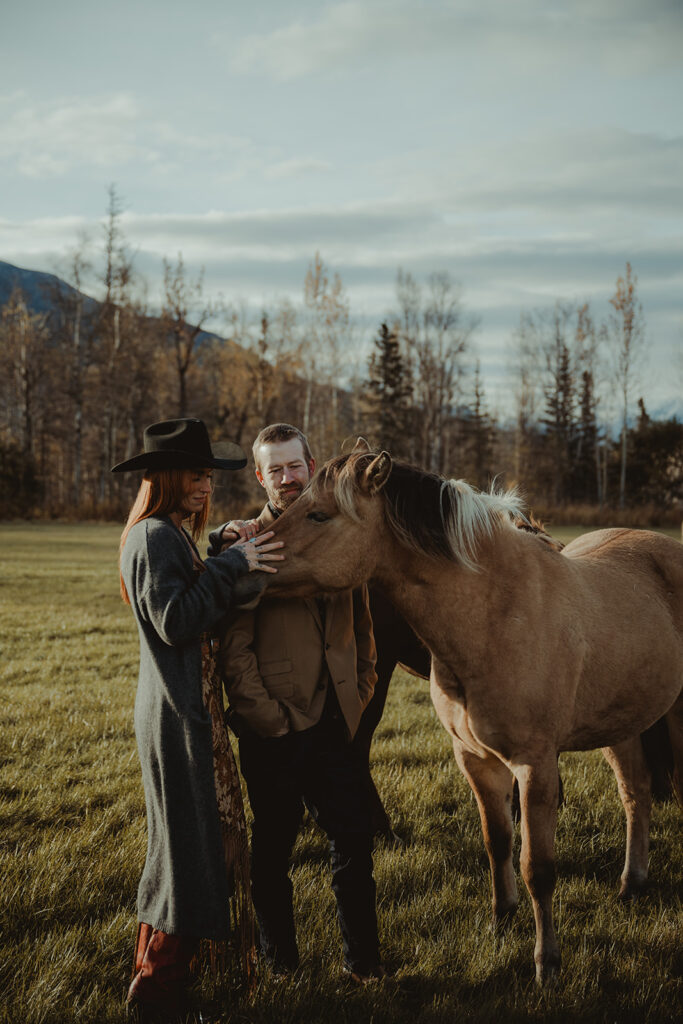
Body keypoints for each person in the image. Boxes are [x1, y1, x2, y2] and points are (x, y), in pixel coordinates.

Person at [112, 417, 284, 1021]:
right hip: (175, 716)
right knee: (187, 853)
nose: (204, 486)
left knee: (182, 850)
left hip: (186, 709)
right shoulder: (155, 536)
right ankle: (156, 993)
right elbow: (176, 620)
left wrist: (233, 554)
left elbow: (200, 605)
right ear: (162, 477)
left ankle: (156, 977)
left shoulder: (172, 535)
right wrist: (232, 564)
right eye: (193, 475)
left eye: (208, 476)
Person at [210, 422, 385, 983]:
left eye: (295, 465)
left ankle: (364, 965)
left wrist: (360, 689)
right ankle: (283, 966)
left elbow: (362, 626)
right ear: (260, 478)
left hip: (338, 721)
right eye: (276, 469)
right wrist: (269, 719)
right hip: (275, 730)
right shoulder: (246, 546)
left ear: (312, 467)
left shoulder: (336, 533)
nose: (288, 478)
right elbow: (233, 651)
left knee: (354, 844)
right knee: (273, 854)